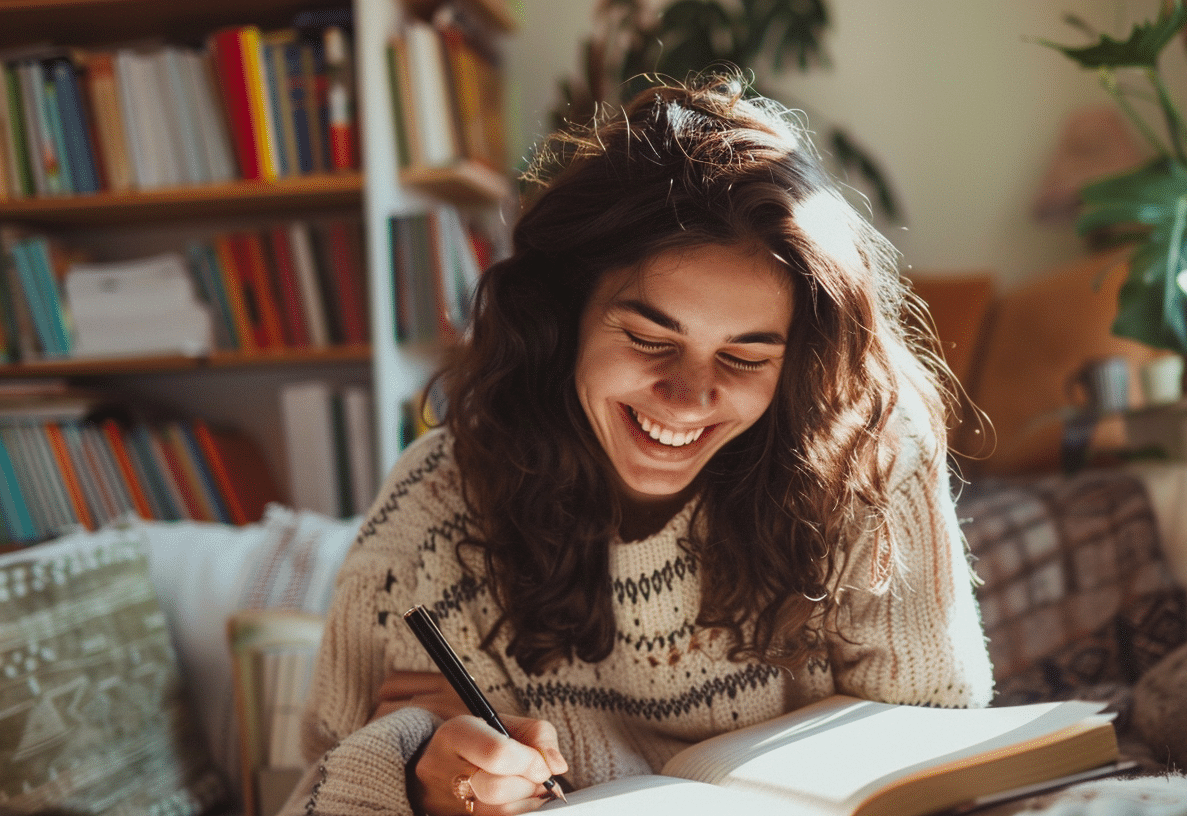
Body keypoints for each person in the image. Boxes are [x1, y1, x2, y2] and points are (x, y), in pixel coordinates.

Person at [281, 73, 993, 816]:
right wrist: (420, 784)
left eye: (746, 357)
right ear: (566, 315)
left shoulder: (867, 462)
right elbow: (321, 789)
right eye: (651, 339)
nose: (688, 397)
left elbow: (936, 752)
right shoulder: (436, 505)